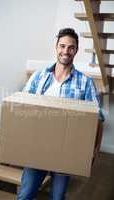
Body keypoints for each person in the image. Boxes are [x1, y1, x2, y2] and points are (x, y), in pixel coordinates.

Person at [17, 28, 104, 200]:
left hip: (67, 150)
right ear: (56, 47)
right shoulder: (39, 77)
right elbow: (22, 107)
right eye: (62, 46)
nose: (66, 51)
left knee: (57, 197)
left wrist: (94, 150)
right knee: (25, 195)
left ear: (76, 50)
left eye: (71, 47)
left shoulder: (85, 82)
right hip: (38, 147)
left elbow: (97, 118)